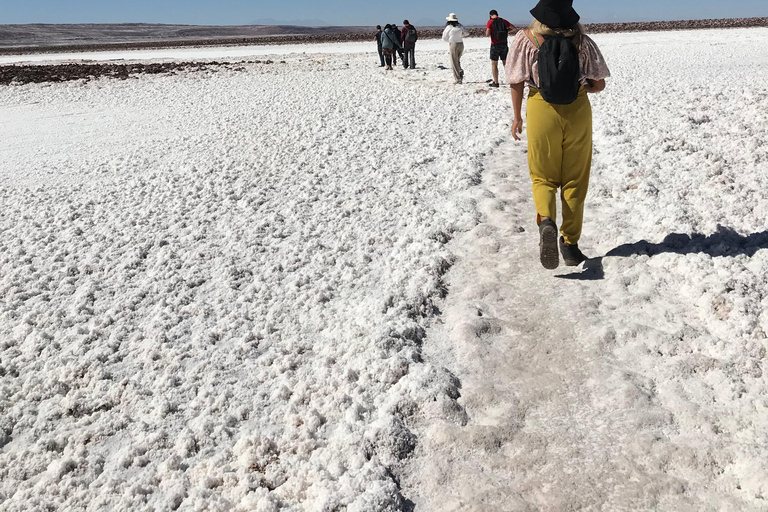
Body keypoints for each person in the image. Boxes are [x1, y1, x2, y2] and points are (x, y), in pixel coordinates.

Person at [505, 0, 610, 269]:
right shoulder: (582, 41)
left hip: (541, 108)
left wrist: (517, 116)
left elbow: (516, 80)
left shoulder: (525, 39)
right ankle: (571, 245)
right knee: (575, 179)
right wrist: (582, 85)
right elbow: (599, 84)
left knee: (542, 176)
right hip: (577, 109)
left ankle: (547, 220)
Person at [486, 9, 516, 88]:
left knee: (494, 64)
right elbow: (514, 28)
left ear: (490, 15)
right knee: (506, 63)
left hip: (495, 45)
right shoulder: (503, 21)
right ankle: (510, 80)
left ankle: (496, 82)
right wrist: (506, 31)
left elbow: (487, 33)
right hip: (504, 44)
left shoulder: (490, 22)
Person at [442, 13, 470, 84]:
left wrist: (451, 40)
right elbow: (466, 33)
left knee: (454, 62)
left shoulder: (449, 27)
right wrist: (460, 36)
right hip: (461, 44)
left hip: (453, 44)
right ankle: (460, 72)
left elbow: (444, 37)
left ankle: (458, 79)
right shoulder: (459, 26)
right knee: (457, 60)